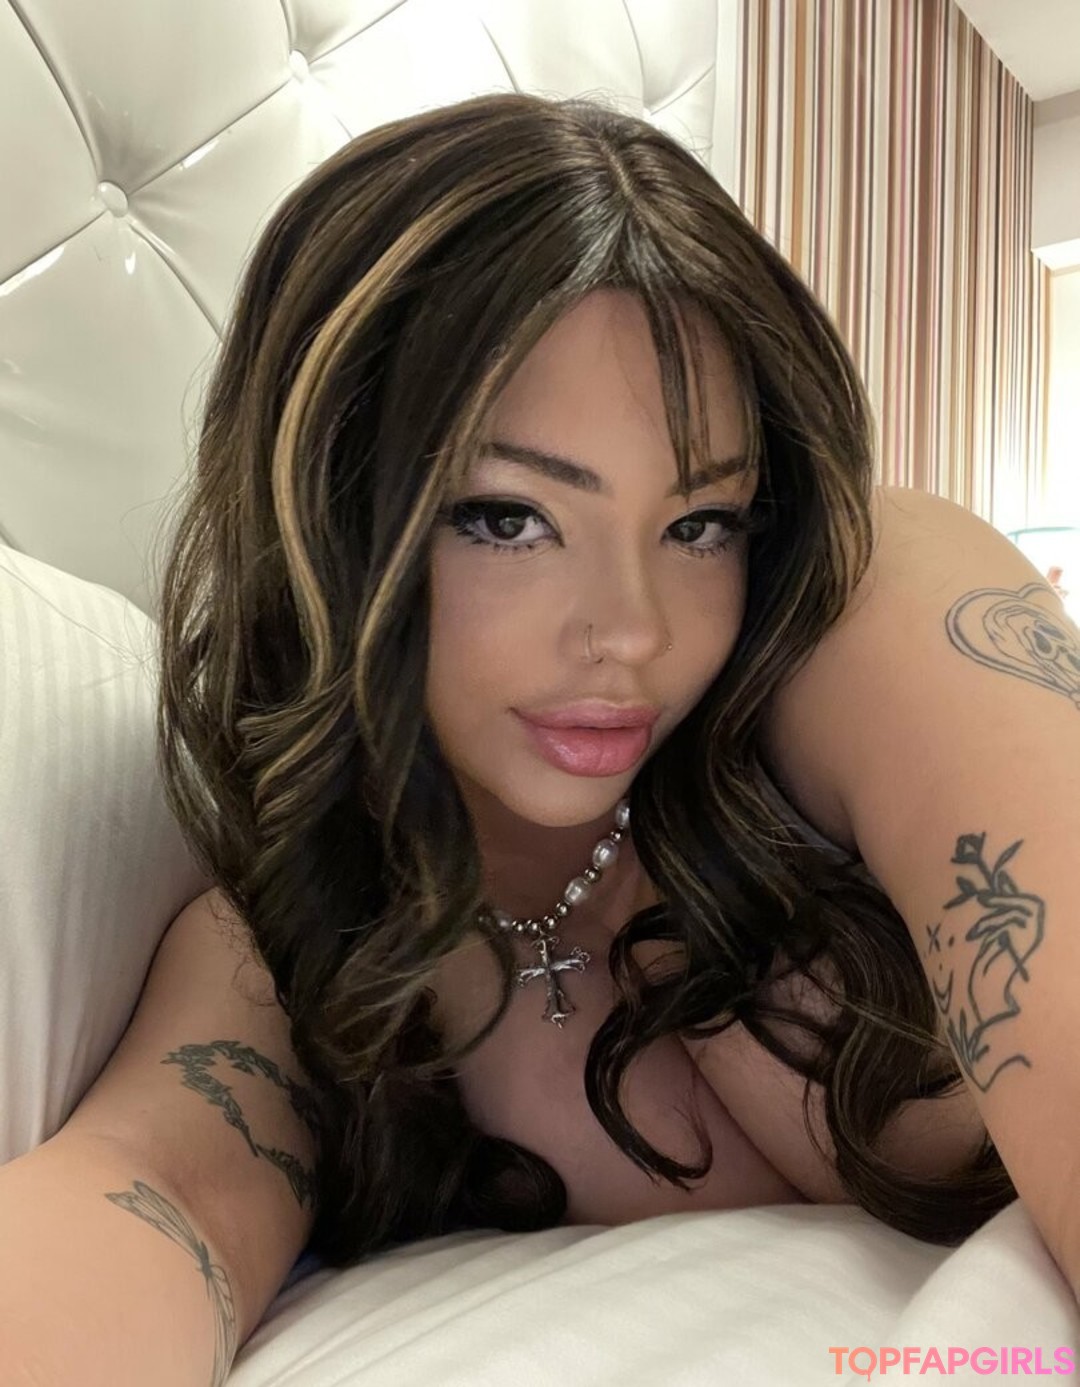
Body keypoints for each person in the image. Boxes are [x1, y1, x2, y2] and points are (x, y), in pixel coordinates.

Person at [6, 91, 1079, 1385]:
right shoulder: (299, 955)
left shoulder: (865, 618)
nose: (632, 631)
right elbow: (148, 1190)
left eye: (699, 526)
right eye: (509, 518)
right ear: (329, 516)